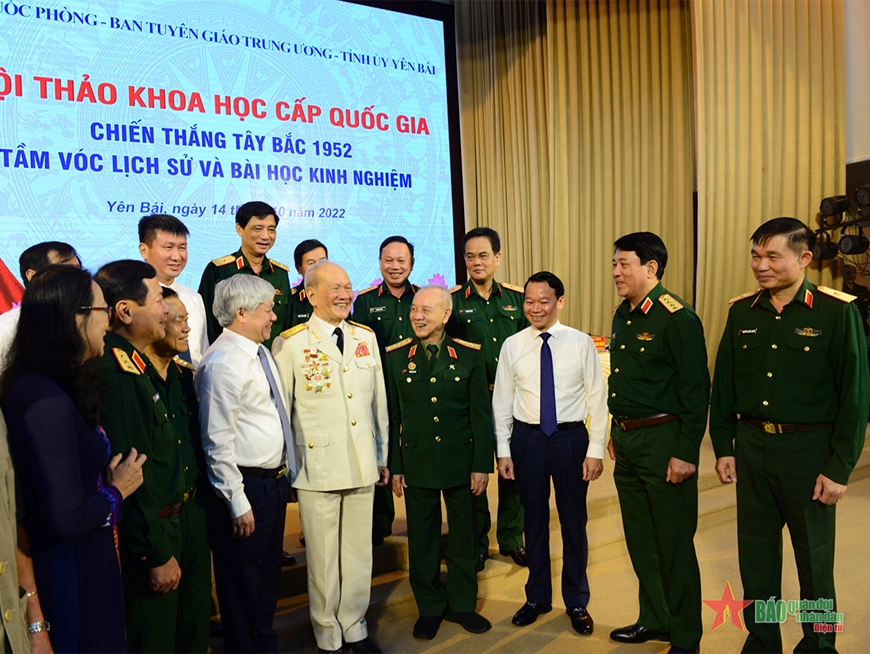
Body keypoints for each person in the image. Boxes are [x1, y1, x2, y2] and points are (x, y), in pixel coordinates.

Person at [710, 217, 870, 654]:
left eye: (772, 256)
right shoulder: (742, 310)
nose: (761, 265)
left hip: (809, 451)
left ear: (803, 258)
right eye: (755, 255)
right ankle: (762, 640)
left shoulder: (837, 311)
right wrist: (724, 445)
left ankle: (819, 645)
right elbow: (724, 385)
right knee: (756, 558)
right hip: (754, 447)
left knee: (815, 560)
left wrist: (839, 468)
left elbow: (855, 397)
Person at [1, 265, 146, 652]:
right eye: (104, 311)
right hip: (71, 571)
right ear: (75, 317)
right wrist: (117, 491)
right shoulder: (43, 399)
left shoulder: (53, 384)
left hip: (88, 560)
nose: (109, 321)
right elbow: (64, 519)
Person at [272, 261, 388, 654]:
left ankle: (354, 624)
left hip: (361, 462)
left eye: (348, 286)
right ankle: (327, 632)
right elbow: (282, 413)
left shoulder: (365, 337)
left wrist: (383, 455)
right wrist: (286, 467)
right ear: (310, 295)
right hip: (315, 466)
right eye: (335, 287)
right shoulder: (290, 343)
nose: (344, 294)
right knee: (321, 559)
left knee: (358, 553)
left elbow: (378, 404)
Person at [607, 233, 709, 653]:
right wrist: (616, 430)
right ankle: (655, 617)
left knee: (674, 544)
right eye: (613, 264)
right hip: (628, 441)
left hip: (664, 440)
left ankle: (686, 635)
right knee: (641, 540)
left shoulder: (677, 317)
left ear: (651, 267)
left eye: (624, 264)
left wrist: (686, 452)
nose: (615, 272)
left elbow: (695, 389)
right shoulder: (623, 315)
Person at [492, 271, 607, 636]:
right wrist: (503, 450)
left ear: (560, 302)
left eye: (544, 301)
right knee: (534, 522)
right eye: (529, 301)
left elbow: (597, 398)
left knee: (574, 522)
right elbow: (502, 402)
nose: (535, 308)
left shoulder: (580, 342)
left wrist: (596, 449)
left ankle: (576, 600)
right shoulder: (512, 344)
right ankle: (538, 596)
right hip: (528, 442)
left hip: (571, 440)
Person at [89, 260, 186, 653]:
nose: (168, 309)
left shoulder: (137, 364)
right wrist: (155, 552)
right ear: (126, 311)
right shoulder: (118, 370)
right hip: (147, 539)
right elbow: (132, 473)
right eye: (161, 297)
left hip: (164, 527)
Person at [196, 275, 296, 653]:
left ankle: (263, 646)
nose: (274, 317)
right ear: (241, 313)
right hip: (245, 489)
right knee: (242, 587)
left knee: (266, 581)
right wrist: (237, 502)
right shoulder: (222, 363)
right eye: (267, 310)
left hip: (272, 483)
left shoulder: (259, 350)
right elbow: (216, 443)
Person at [386, 285, 492, 640]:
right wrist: (396, 466)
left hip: (461, 460)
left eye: (426, 310)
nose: (417, 316)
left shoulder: (469, 355)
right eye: (415, 309)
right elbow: (392, 416)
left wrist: (482, 464)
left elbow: (480, 415)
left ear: (446, 315)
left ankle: (462, 604)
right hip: (417, 461)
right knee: (423, 539)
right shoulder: (397, 356)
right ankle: (430, 606)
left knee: (464, 536)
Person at [448, 227, 528, 571]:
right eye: (469, 256)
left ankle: (512, 538)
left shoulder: (517, 298)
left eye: (483, 255)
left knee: (515, 472)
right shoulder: (450, 301)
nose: (476, 262)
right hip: (473, 403)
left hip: (512, 401)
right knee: (475, 476)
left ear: (497, 258)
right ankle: (478, 542)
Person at [142, 288, 211, 652]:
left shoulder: (185, 377)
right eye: (178, 319)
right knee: (158, 628)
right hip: (157, 520)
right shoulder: (134, 381)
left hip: (193, 512)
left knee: (196, 615)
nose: (187, 328)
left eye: (188, 319)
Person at [351, 235, 419, 546]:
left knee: (416, 453)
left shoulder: (424, 298)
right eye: (388, 260)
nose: (395, 266)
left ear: (411, 264)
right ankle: (380, 524)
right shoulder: (365, 301)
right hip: (378, 388)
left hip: (418, 387)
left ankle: (420, 519)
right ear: (379, 262)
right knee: (380, 454)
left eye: (401, 261)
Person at [198, 201, 292, 348]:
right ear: (240, 229)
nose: (266, 236)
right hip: (229, 360)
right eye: (258, 228)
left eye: (271, 230)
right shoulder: (219, 270)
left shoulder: (280, 274)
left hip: (272, 362)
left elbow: (288, 326)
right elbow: (208, 325)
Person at [139, 214, 210, 366]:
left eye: (182, 248)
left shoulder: (194, 298)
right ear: (144, 250)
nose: (177, 256)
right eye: (168, 247)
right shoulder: (134, 298)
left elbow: (202, 353)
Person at [0, 241, 81, 366]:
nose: (77, 277)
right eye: (66, 270)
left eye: (78, 270)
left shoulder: (87, 319)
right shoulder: (7, 328)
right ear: (33, 276)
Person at [289, 239, 328, 326]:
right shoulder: (291, 300)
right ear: (298, 268)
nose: (318, 267)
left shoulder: (339, 295)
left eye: (322, 261)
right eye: (311, 263)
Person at [841, 264, 870, 335]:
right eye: (847, 273)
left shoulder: (863, 290)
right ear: (842, 275)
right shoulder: (840, 290)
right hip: (846, 324)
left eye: (853, 273)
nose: (851, 275)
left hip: (862, 323)